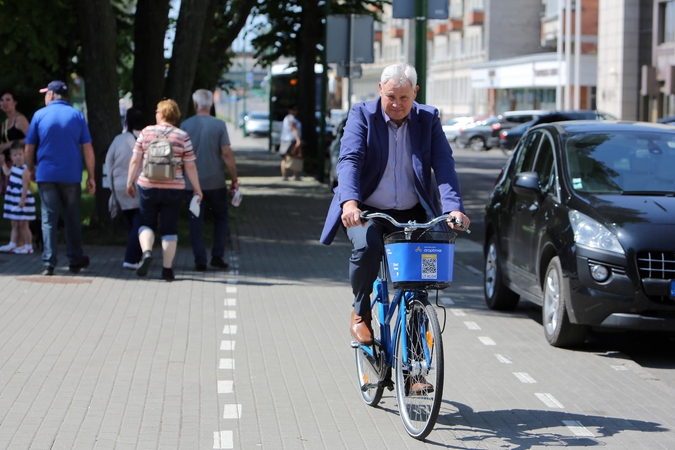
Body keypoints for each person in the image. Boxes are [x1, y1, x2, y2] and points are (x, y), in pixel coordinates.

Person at [319, 63, 471, 356]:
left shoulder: (428, 119)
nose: (396, 104)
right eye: (390, 96)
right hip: (367, 210)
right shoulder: (362, 114)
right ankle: (361, 312)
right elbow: (349, 159)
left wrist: (453, 208)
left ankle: (414, 370)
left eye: (404, 98)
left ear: (415, 93)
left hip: (413, 212)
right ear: (380, 89)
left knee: (417, 286)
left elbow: (444, 164)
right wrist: (349, 202)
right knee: (367, 247)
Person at [126, 99, 203, 281]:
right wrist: (197, 190)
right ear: (175, 115)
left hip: (148, 185)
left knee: (146, 223)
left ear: (161, 114)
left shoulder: (146, 132)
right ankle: (167, 270)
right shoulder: (182, 136)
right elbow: (190, 166)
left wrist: (130, 182)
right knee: (169, 228)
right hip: (174, 188)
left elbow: (135, 160)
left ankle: (146, 252)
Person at [25, 80, 96, 276]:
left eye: (46, 93)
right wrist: (91, 176)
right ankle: (74, 260)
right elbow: (88, 148)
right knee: (72, 217)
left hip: (46, 174)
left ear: (52, 95)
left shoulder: (39, 115)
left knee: (48, 219)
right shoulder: (77, 115)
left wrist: (30, 168)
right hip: (71, 175)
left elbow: (29, 147)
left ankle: (49, 263)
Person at [180, 89, 239, 271]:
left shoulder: (185, 126)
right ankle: (217, 255)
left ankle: (200, 260)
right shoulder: (219, 125)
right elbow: (227, 154)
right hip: (216, 182)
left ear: (195, 104)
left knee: (195, 220)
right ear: (211, 104)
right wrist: (235, 179)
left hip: (192, 184)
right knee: (221, 217)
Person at [105, 107, 145, 270]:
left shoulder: (119, 139)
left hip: (120, 186)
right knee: (139, 221)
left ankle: (137, 253)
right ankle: (131, 257)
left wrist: (113, 189)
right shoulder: (146, 139)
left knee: (131, 221)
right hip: (139, 186)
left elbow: (109, 163)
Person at [0, 141, 36, 254]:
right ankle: (13, 244)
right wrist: (2, 163)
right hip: (13, 198)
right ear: (11, 157)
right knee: (14, 222)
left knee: (23, 224)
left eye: (20, 154)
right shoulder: (14, 167)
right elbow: (6, 172)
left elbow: (25, 186)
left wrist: (22, 200)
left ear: (24, 155)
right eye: (15, 155)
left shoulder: (25, 170)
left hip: (21, 199)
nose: (18, 157)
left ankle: (28, 246)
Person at [0, 90, 30, 196]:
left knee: (21, 192)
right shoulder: (5, 122)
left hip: (21, 162)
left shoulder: (20, 119)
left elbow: (31, 138)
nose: (4, 103)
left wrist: (9, 144)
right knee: (10, 194)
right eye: (2, 100)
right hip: (9, 162)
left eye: (8, 100)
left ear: (14, 103)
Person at [279, 105, 302, 181]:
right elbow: (294, 129)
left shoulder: (286, 118)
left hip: (285, 139)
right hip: (291, 140)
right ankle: (295, 175)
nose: (295, 111)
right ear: (290, 110)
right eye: (294, 110)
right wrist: (298, 140)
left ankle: (285, 175)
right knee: (293, 157)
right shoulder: (291, 118)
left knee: (286, 158)